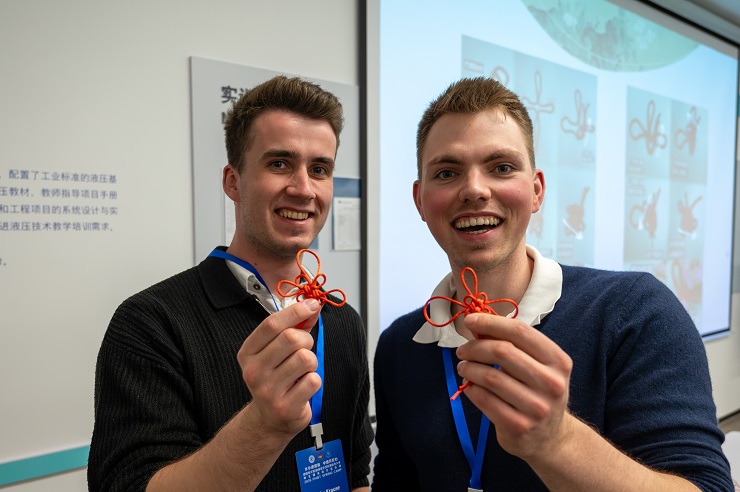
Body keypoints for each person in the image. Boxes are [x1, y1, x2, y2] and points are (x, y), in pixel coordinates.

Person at [371, 77, 732, 491]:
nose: (474, 189)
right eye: (447, 172)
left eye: (501, 168)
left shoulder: (634, 312)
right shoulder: (400, 345)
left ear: (536, 191)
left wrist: (557, 442)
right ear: (420, 200)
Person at [88, 75, 373, 491]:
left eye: (319, 169)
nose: (303, 189)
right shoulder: (150, 323)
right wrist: (264, 424)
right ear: (232, 181)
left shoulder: (342, 319)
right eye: (279, 164)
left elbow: (356, 469)